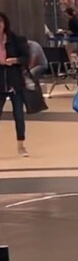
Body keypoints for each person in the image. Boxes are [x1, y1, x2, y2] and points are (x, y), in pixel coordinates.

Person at [0, 12, 30, 157]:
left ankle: (21, 145)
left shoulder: (15, 39)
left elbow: (26, 58)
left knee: (18, 115)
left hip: (14, 83)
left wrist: (15, 60)